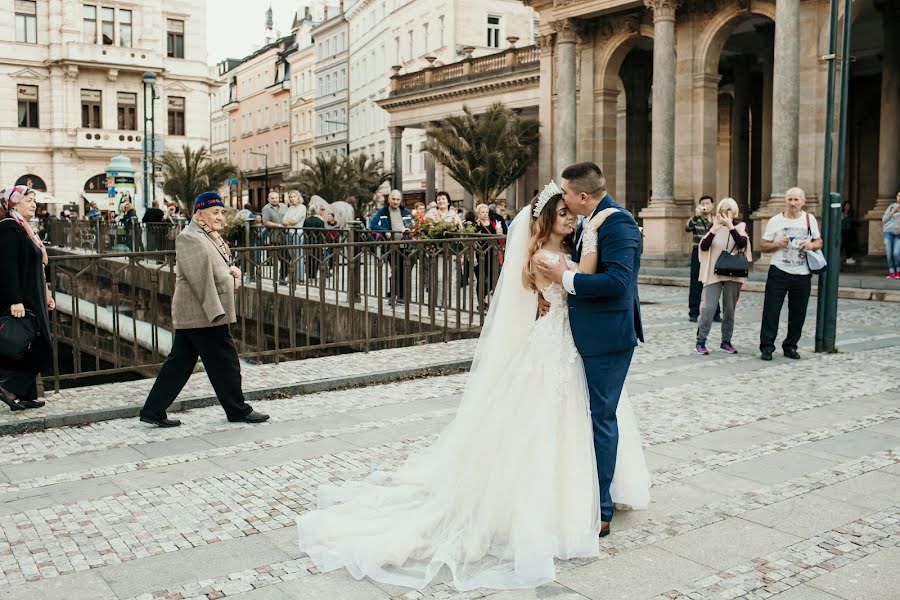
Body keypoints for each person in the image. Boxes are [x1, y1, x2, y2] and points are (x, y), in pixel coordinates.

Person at [297, 183, 649, 591]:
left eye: (572, 213)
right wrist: (582, 246)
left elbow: (580, 278)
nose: (571, 219)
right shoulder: (545, 257)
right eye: (564, 214)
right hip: (554, 345)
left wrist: (591, 230)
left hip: (570, 343)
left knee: (578, 419)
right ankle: (548, 504)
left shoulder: (568, 248)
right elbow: (578, 279)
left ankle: (582, 494)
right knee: (548, 420)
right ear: (546, 220)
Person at [537, 161, 645, 538]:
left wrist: (563, 279)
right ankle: (586, 491)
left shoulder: (619, 223)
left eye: (565, 193)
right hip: (585, 334)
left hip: (607, 337)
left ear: (582, 196)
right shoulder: (592, 222)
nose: (561, 199)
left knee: (601, 417)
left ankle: (600, 510)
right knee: (587, 414)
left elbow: (618, 282)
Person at [138, 192, 268, 427]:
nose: (220, 216)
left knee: (179, 364)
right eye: (215, 212)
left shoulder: (208, 236)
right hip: (204, 314)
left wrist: (230, 273)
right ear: (200, 213)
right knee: (226, 363)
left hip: (200, 314)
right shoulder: (191, 237)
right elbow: (200, 279)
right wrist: (215, 312)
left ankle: (152, 410)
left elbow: (216, 268)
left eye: (221, 212)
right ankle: (238, 410)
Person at [0, 186, 53, 411]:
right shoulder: (10, 228)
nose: (34, 204)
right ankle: (10, 389)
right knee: (40, 347)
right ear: (14, 204)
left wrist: (47, 293)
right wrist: (15, 300)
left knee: (31, 346)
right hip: (22, 298)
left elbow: (36, 267)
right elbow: (7, 266)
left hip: (34, 296)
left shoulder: (25, 229)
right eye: (29, 200)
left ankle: (26, 394)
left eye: (34, 200)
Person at [759, 187, 823, 361]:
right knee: (771, 311)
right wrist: (778, 244)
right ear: (785, 201)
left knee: (798, 313)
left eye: (796, 200)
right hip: (779, 271)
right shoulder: (775, 221)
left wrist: (810, 245)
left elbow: (819, 241)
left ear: (803, 202)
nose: (793, 203)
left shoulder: (809, 220)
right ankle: (767, 347)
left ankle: (790, 346)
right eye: (790, 199)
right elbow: (763, 246)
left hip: (802, 273)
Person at [694, 198, 751, 355]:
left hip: (734, 272)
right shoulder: (713, 226)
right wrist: (713, 230)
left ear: (734, 211)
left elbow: (742, 244)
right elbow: (704, 247)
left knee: (729, 309)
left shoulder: (741, 226)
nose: (725, 213)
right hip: (714, 272)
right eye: (722, 210)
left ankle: (726, 341)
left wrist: (731, 227)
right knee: (709, 307)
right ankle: (700, 341)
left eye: (729, 210)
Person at [369, 189, 413, 304]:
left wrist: (409, 229)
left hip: (405, 245)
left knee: (403, 271)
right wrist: (385, 230)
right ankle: (392, 295)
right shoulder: (383, 211)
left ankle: (401, 297)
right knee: (396, 270)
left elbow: (414, 224)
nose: (395, 201)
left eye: (398, 199)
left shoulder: (405, 211)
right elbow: (372, 225)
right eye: (393, 199)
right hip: (391, 246)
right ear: (389, 199)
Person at [686, 195, 720, 323]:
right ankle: (693, 313)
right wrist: (696, 215)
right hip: (698, 252)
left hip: (713, 253)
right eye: (702, 203)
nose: (705, 206)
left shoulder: (717, 220)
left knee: (714, 282)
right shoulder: (696, 219)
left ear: (712, 205)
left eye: (707, 203)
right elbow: (687, 227)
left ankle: (716, 313)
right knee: (695, 283)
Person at [261, 191, 288, 282]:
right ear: (268, 199)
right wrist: (279, 225)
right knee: (281, 258)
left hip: (287, 236)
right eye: (272, 198)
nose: (274, 200)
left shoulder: (284, 206)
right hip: (275, 236)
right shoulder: (266, 208)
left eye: (276, 197)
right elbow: (266, 222)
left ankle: (282, 276)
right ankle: (280, 278)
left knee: (287, 258)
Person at [283, 190, 307, 280]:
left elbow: (295, 220)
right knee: (292, 255)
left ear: (298, 197)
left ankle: (300, 277)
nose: (292, 198)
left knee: (298, 255)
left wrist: (288, 222)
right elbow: (284, 220)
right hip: (289, 232)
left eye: (294, 196)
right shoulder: (290, 208)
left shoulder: (302, 208)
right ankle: (293, 275)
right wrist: (289, 222)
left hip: (297, 233)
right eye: (290, 197)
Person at [303, 205, 325, 281]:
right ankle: (313, 275)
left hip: (308, 242)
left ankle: (308, 275)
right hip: (317, 242)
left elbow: (304, 230)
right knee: (316, 259)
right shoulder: (320, 221)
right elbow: (322, 233)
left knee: (308, 259)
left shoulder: (306, 220)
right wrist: (323, 244)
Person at [881, 192, 900, 279]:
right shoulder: (891, 206)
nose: (899, 197)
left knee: (896, 253)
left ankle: (898, 272)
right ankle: (892, 272)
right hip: (888, 232)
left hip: (898, 234)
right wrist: (893, 211)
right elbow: (884, 219)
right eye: (898, 195)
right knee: (889, 253)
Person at [841, 200, 857, 266]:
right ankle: (844, 257)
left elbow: (853, 220)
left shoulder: (851, 213)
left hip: (848, 230)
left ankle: (848, 257)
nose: (848, 207)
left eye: (849, 206)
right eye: (847, 205)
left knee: (847, 245)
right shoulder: (841, 213)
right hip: (842, 230)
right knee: (843, 245)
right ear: (844, 206)